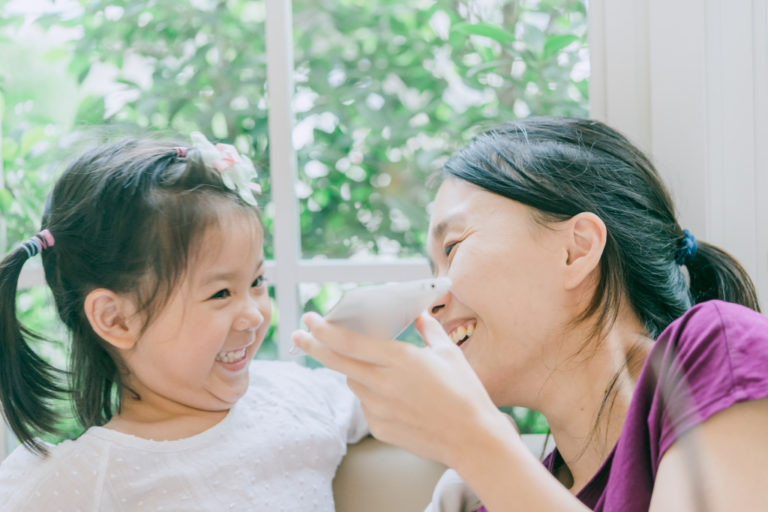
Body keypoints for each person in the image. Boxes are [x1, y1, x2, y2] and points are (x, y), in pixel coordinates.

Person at [292, 117, 768, 511]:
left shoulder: (719, 348)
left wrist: (474, 443)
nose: (430, 303)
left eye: (453, 247)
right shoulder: (485, 496)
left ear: (576, 249)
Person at [0, 134, 367, 510]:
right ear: (117, 319)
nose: (255, 315)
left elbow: (393, 398)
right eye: (220, 293)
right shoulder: (82, 482)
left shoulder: (293, 395)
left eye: (257, 281)